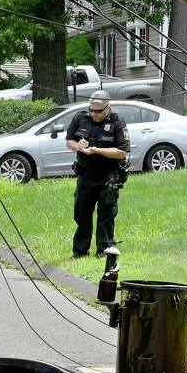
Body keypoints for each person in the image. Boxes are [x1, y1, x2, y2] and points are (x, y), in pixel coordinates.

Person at [66, 90, 130, 258]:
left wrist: (97, 150)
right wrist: (78, 146)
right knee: (81, 215)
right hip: (85, 175)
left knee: (106, 217)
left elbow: (122, 152)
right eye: (91, 110)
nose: (93, 114)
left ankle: (104, 251)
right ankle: (80, 252)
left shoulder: (117, 122)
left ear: (107, 108)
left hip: (108, 177)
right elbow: (69, 141)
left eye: (97, 111)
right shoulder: (80, 118)